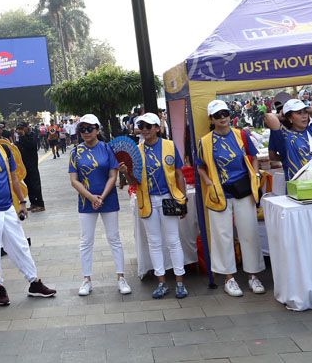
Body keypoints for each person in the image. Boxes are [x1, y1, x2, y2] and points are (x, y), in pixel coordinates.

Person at [0, 118, 56, 306]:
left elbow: (14, 178)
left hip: (7, 207)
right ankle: (0, 288)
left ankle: (34, 282)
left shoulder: (5, 150)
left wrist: (22, 201)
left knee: (20, 245)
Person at [196, 100, 266, 298]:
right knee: (222, 235)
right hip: (219, 193)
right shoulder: (205, 141)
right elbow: (200, 165)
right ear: (211, 119)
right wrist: (208, 181)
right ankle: (229, 278)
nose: (222, 118)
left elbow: (253, 156)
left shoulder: (241, 134)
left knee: (249, 232)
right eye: (217, 115)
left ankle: (253, 275)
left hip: (243, 189)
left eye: (225, 113)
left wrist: (255, 173)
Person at [68, 114, 131, 296]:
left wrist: (101, 196)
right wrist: (91, 197)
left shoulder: (107, 148)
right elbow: (74, 180)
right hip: (86, 201)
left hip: (108, 198)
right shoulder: (75, 152)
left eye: (90, 129)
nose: (86, 132)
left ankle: (121, 277)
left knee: (114, 238)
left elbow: (113, 175)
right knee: (86, 241)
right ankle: (86, 279)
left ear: (97, 130)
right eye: (82, 129)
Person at [133, 112, 189, 300]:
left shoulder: (169, 146)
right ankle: (161, 282)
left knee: (173, 241)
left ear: (158, 128)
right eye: (142, 126)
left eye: (149, 126)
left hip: (168, 198)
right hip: (148, 201)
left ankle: (180, 282)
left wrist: (182, 198)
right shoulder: (137, 150)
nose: (145, 130)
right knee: (154, 243)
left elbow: (179, 174)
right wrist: (125, 173)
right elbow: (133, 180)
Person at [264, 99, 312, 183]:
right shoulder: (284, 136)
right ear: (290, 118)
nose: (304, 116)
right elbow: (268, 117)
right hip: (297, 190)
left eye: (305, 112)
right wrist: (281, 116)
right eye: (299, 113)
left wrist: (308, 109)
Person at [16, 123, 46, 213]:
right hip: (24, 166)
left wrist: (23, 136)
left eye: (21, 128)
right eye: (18, 129)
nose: (19, 130)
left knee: (35, 185)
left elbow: (32, 146)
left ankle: (40, 204)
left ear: (26, 128)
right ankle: (33, 203)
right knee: (29, 185)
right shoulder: (20, 137)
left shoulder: (32, 135)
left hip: (32, 165)